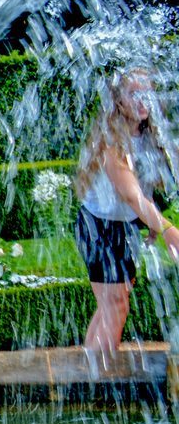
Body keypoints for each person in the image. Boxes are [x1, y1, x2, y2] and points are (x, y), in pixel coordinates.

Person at [73, 67, 179, 355]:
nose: (142, 100)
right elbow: (131, 195)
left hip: (125, 227)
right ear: (118, 102)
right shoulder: (111, 141)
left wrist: (153, 221)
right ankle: (98, 377)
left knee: (115, 304)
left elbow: (144, 189)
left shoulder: (151, 137)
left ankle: (92, 368)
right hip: (98, 227)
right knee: (115, 306)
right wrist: (169, 230)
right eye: (133, 94)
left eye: (147, 92)